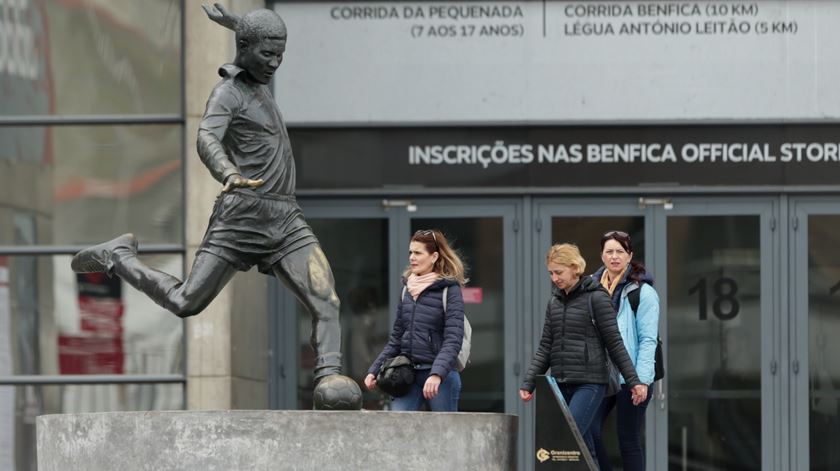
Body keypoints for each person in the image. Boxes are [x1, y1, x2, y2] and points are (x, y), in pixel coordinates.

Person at [69, 7, 343, 387]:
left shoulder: (256, 78)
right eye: (268, 54)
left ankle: (330, 380)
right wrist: (228, 171)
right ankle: (118, 257)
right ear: (245, 49)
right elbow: (206, 138)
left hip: (285, 219)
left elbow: (251, 44)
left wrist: (238, 24)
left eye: (281, 54)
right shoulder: (228, 93)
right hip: (242, 215)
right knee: (186, 303)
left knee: (326, 301)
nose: (276, 63)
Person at [519, 243, 647, 459]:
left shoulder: (597, 297)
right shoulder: (554, 302)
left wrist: (633, 381)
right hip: (561, 382)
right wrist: (528, 382)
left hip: (590, 382)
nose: (554, 278)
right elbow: (545, 346)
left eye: (559, 272)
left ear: (574, 267)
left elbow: (614, 343)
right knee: (583, 447)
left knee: (568, 440)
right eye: (551, 273)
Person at [364, 229, 466, 411]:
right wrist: (375, 369)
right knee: (399, 429)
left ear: (434, 256)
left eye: (418, 253)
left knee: (446, 435)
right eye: (411, 252)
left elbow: (453, 339)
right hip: (407, 375)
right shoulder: (407, 290)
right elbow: (396, 338)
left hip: (440, 377)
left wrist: (437, 374)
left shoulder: (450, 290)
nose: (412, 257)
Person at [589, 231, 660, 471]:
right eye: (609, 251)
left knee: (628, 440)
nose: (614, 256)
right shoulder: (591, 289)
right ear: (601, 255)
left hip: (631, 377)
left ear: (630, 256)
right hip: (601, 375)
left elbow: (648, 340)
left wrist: (639, 381)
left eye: (620, 251)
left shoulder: (643, 293)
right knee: (588, 430)